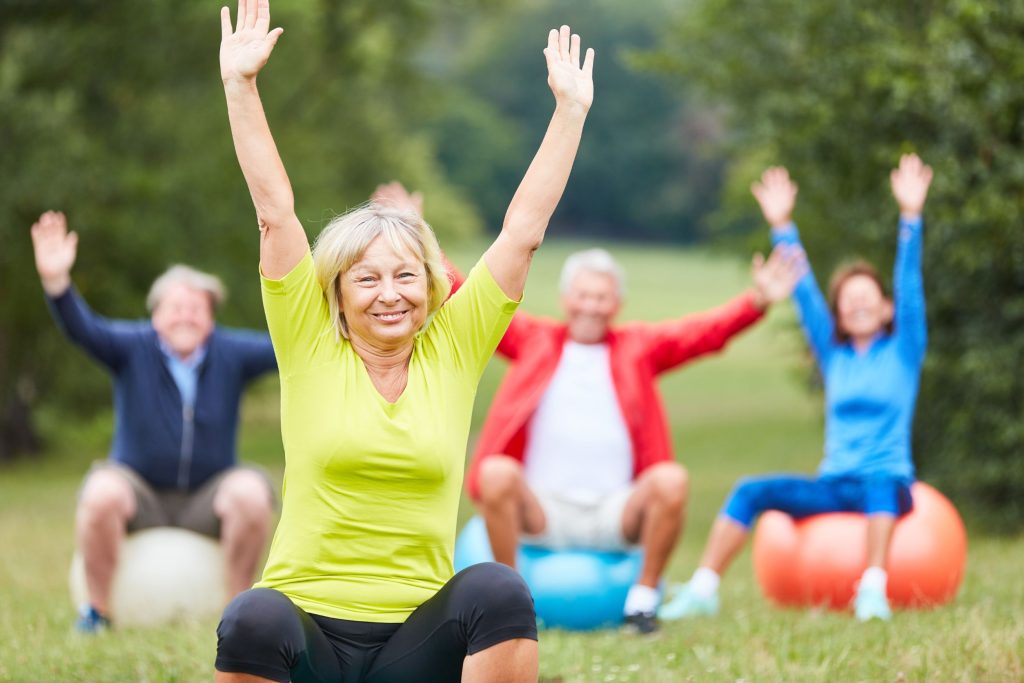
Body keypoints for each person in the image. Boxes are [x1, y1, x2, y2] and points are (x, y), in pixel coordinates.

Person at [214, 0, 594, 680]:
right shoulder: (309, 341)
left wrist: (568, 113)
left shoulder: (454, 346)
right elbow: (275, 215)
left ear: (431, 283)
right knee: (252, 614)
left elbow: (522, 232)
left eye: (405, 275)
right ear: (336, 292)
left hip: (414, 648)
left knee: (499, 589)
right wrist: (240, 87)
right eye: (366, 277)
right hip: (310, 641)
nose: (389, 292)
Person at [437, 212, 804, 634]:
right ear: (566, 299)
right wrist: (424, 243)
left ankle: (642, 603)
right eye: (583, 295)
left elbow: (701, 333)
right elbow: (473, 299)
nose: (592, 305)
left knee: (670, 479)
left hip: (615, 513)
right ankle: (514, 602)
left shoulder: (638, 349)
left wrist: (756, 301)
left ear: (617, 304)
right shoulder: (533, 340)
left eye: (602, 297)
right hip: (542, 511)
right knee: (496, 472)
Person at [661, 154, 932, 622]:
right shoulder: (834, 355)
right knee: (750, 490)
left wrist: (910, 217)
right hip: (834, 483)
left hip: (888, 486)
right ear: (841, 315)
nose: (859, 305)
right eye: (849, 301)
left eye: (868, 298)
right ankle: (703, 589)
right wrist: (782, 225)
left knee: (880, 482)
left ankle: (871, 591)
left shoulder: (905, 350)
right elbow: (805, 294)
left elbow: (910, 286)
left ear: (886, 310)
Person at [30, 210, 278, 633]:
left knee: (252, 494)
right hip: (138, 489)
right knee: (101, 493)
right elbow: (82, 329)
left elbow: (289, 344)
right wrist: (57, 283)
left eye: (197, 309)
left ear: (211, 317)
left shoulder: (231, 352)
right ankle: (96, 612)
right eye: (176, 307)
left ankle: (236, 619)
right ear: (156, 314)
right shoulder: (132, 346)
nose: (186, 316)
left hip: (208, 492)